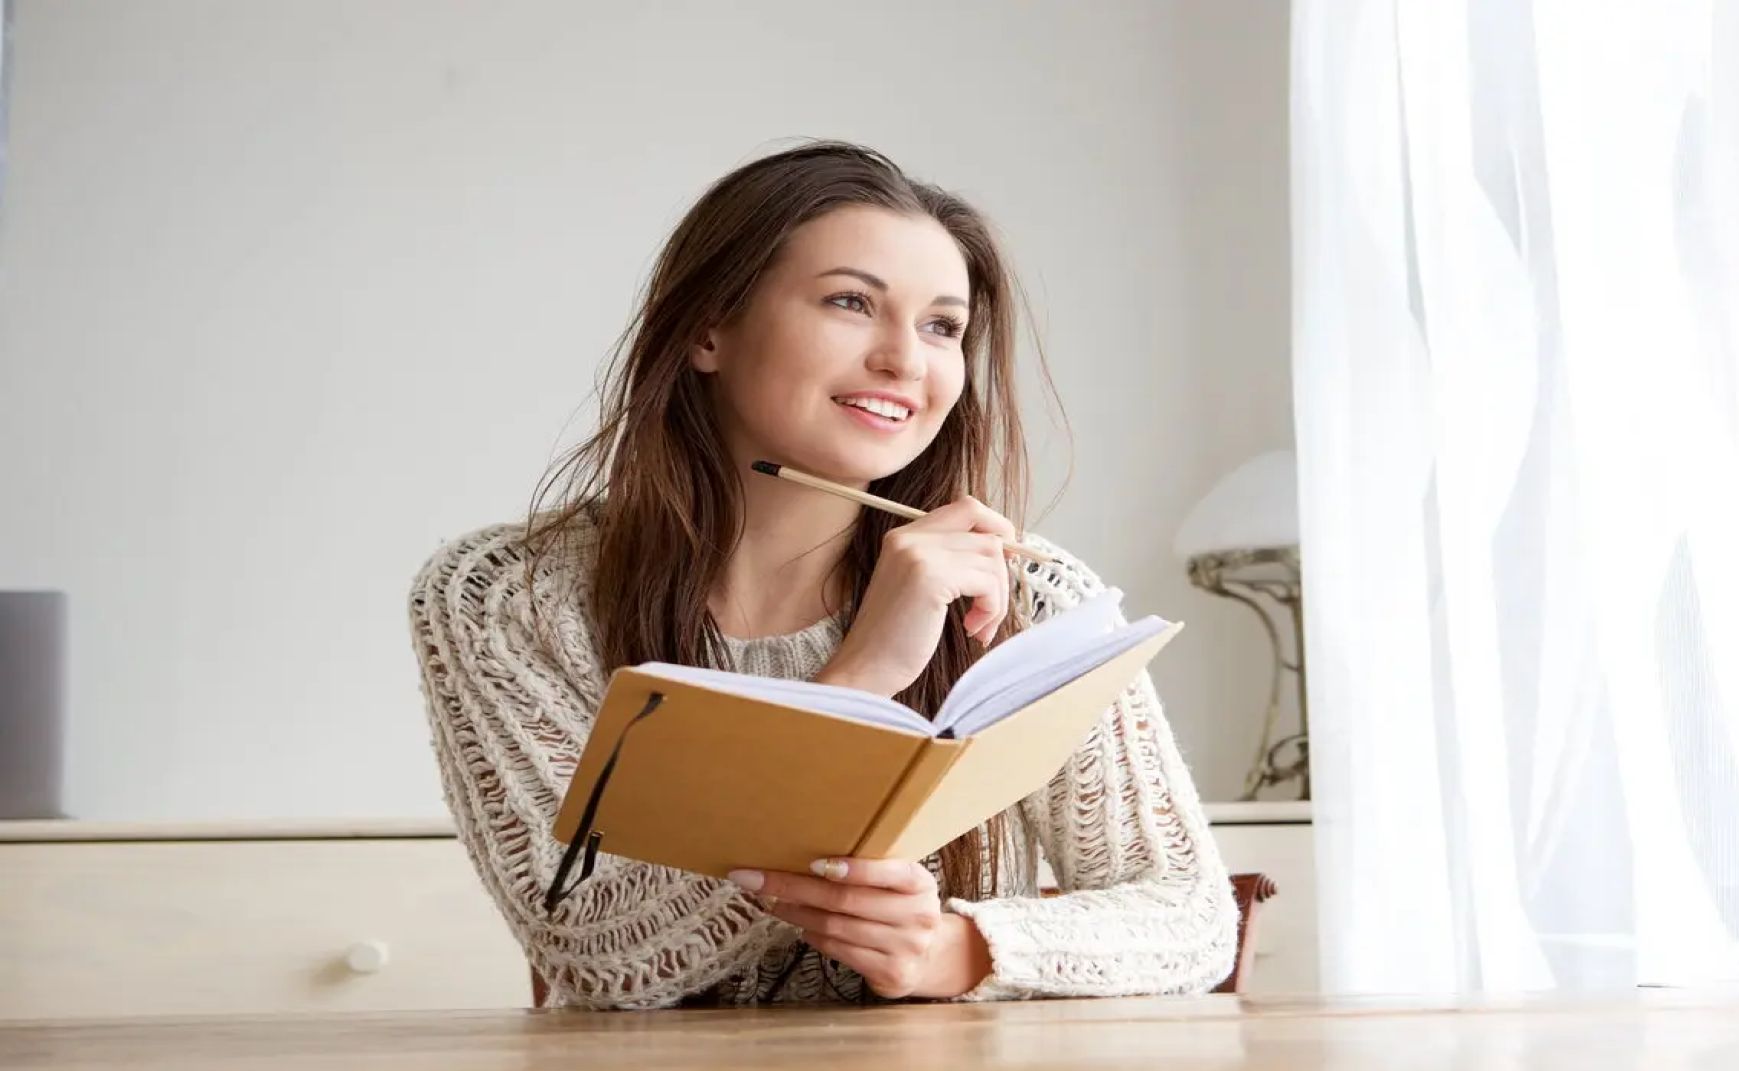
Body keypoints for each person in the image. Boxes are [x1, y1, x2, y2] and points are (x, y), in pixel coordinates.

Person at [407, 140, 1237, 1008]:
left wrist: (958, 950)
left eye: (942, 327)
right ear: (707, 329)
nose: (905, 361)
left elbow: (1190, 918)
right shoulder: (503, 595)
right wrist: (860, 684)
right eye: (851, 302)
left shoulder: (1022, 593)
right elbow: (597, 952)